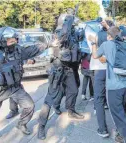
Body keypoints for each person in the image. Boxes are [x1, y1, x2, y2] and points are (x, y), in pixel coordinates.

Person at [37, 7, 85, 140]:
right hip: (57, 68)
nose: (73, 25)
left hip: (69, 68)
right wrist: (69, 18)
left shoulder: (73, 33)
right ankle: (41, 126)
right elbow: (64, 34)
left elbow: (78, 39)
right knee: (49, 99)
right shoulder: (59, 32)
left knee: (74, 90)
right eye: (71, 23)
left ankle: (71, 110)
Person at [91, 26, 126, 143]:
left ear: (108, 35)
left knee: (118, 115)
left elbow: (95, 56)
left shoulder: (107, 44)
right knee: (121, 112)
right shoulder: (125, 44)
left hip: (114, 86)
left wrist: (93, 43)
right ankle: (120, 136)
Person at [89, 19, 114, 138]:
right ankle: (118, 130)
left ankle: (103, 129)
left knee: (98, 99)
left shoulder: (96, 36)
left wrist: (93, 43)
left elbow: (94, 55)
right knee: (115, 101)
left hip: (100, 70)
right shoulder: (115, 40)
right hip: (113, 71)